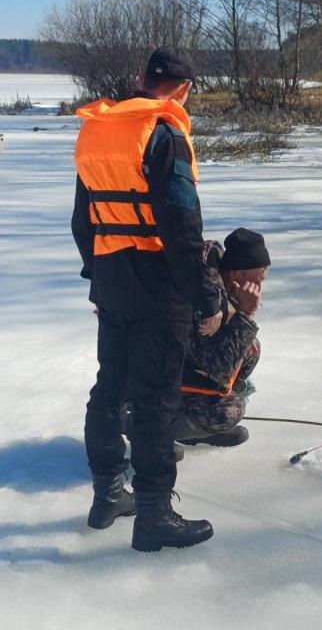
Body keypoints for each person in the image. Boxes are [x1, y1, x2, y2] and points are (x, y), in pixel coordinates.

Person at [72, 46, 223, 552]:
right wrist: (205, 296)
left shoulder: (97, 131)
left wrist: (98, 276)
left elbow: (82, 220)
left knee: (109, 389)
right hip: (159, 284)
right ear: (183, 89)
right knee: (156, 400)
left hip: (112, 277)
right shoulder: (164, 133)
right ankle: (155, 516)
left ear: (142, 77)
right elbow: (181, 225)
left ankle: (108, 496)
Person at [176, 228, 270, 447]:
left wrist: (238, 315)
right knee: (229, 411)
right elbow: (220, 369)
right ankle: (152, 429)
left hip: (183, 370)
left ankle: (196, 427)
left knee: (251, 347)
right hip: (157, 381)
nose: (260, 286)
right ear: (238, 275)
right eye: (258, 278)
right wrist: (245, 315)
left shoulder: (220, 289)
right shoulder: (205, 305)